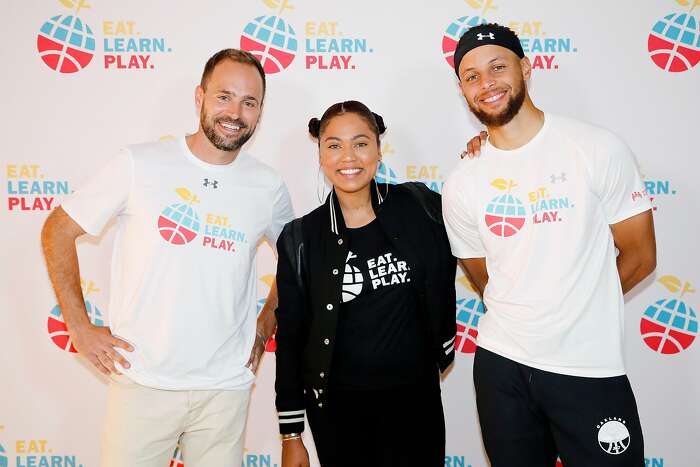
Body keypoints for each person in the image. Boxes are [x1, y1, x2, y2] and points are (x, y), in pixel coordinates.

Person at [40, 48, 294, 467]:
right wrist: (78, 326)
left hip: (224, 388)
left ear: (260, 112)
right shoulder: (141, 164)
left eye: (249, 102)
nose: (235, 112)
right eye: (224, 96)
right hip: (143, 381)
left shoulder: (267, 186)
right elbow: (58, 230)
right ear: (199, 98)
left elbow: (296, 256)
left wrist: (266, 322)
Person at [443, 23, 657, 466]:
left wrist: (580, 306)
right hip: (502, 368)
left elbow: (640, 255)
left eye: (498, 67)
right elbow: (487, 279)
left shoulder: (596, 148)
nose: (487, 84)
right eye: (472, 76)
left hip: (588, 369)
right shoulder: (463, 180)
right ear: (462, 89)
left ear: (526, 66)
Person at [274, 101, 457, 467]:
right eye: (334, 145)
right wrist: (291, 434)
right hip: (338, 412)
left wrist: (488, 152)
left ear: (377, 149)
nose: (348, 157)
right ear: (321, 155)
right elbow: (291, 338)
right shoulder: (301, 237)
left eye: (360, 143)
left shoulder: (421, 206)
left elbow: (478, 211)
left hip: (415, 402)